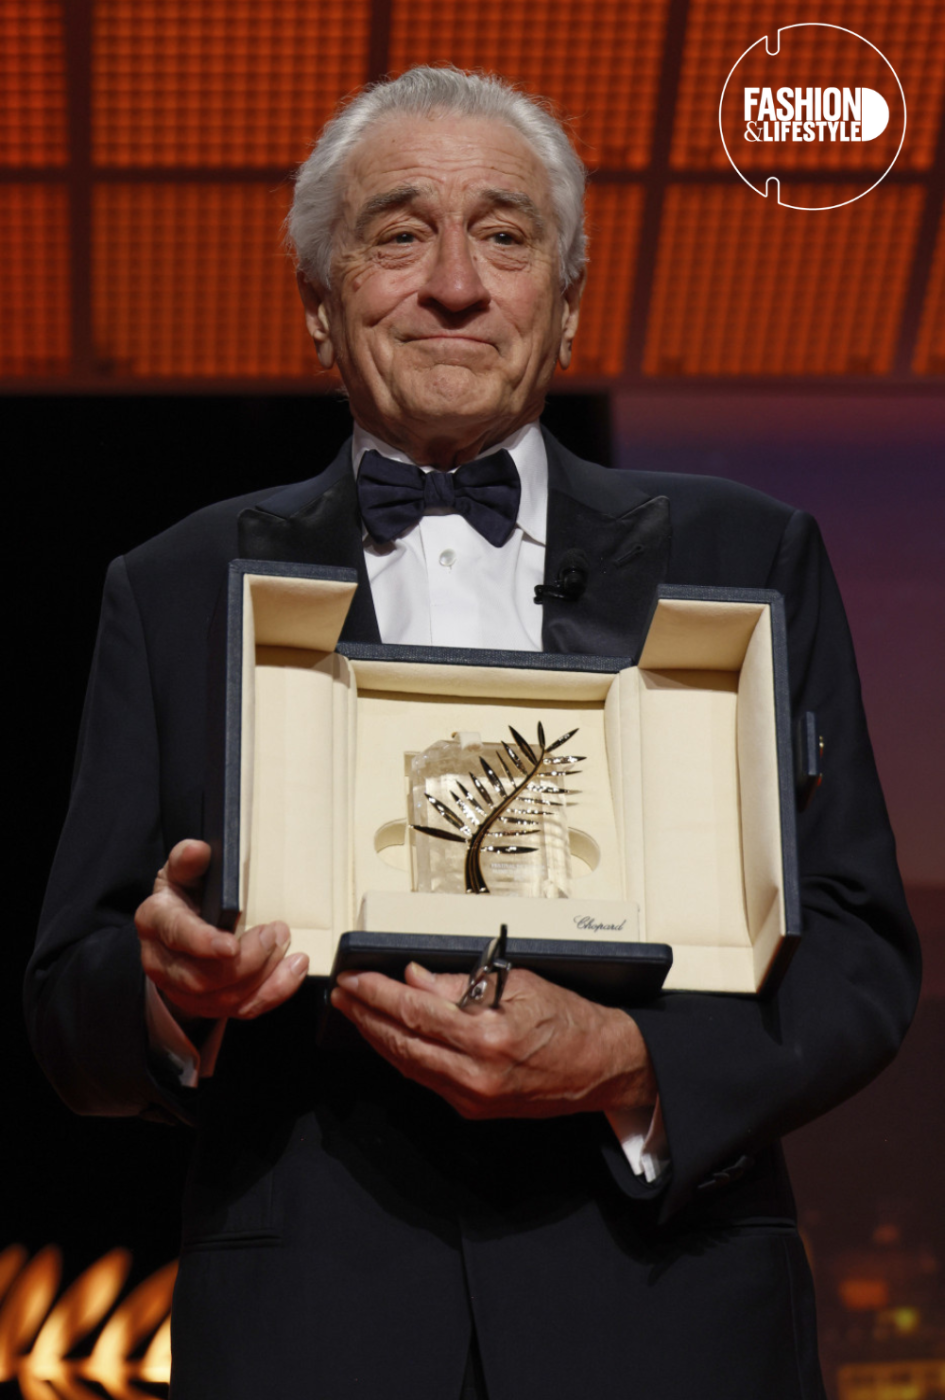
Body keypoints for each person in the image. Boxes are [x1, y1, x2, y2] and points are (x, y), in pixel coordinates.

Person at [27, 66, 919, 1400]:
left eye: (505, 235)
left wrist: (633, 1065)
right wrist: (171, 990)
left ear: (563, 304)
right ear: (321, 309)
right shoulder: (169, 587)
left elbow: (856, 949)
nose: (455, 282)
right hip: (309, 1341)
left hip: (672, 1325)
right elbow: (66, 1010)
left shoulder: (748, 553)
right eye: (399, 233)